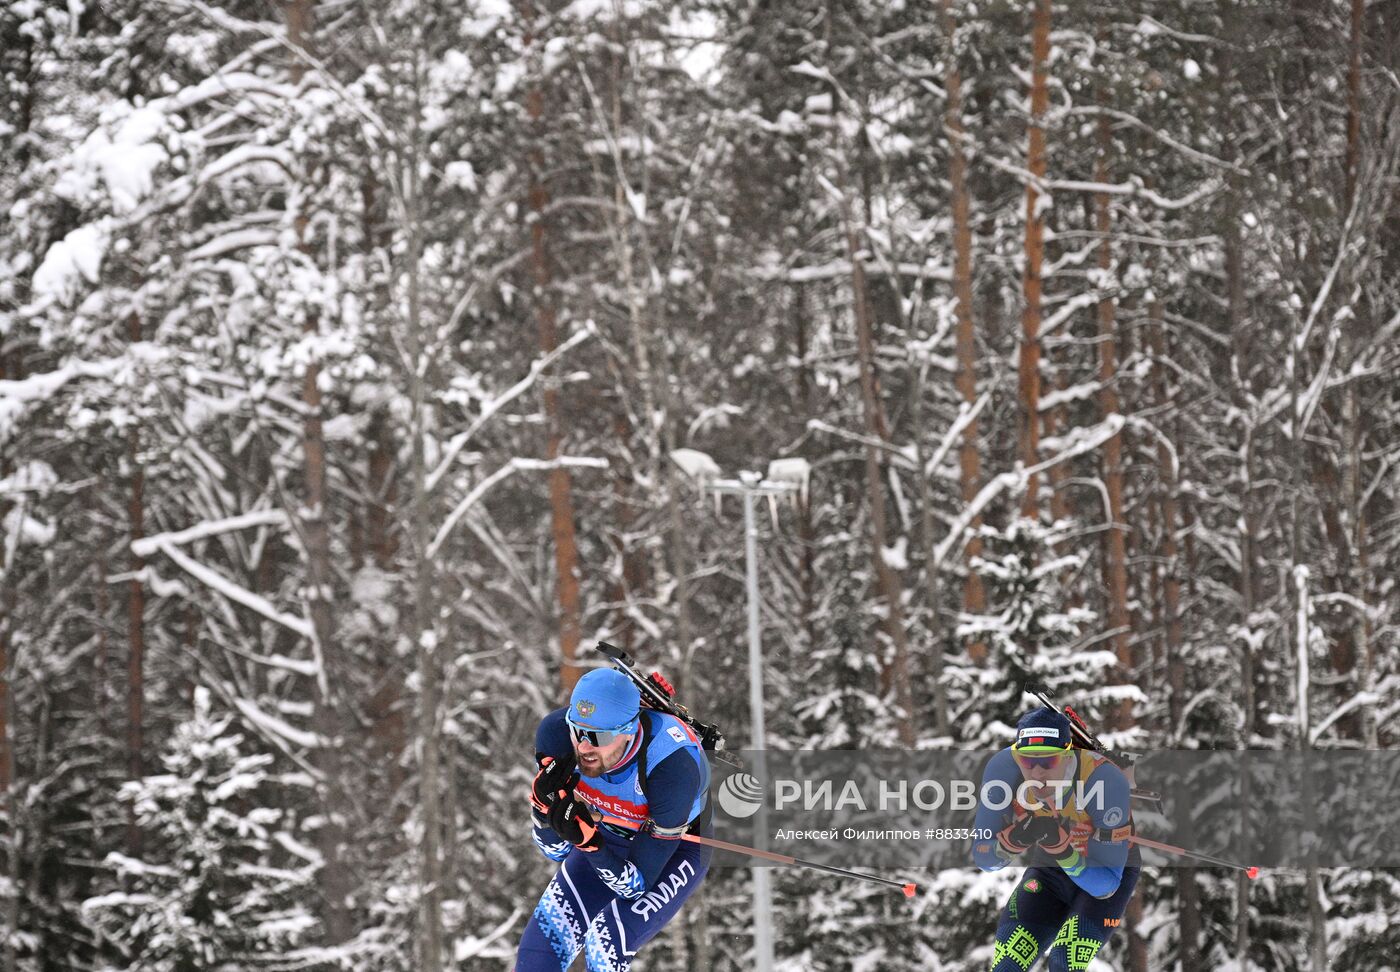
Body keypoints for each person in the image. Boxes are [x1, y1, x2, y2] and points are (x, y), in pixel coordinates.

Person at [514, 668, 713, 971]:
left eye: (598, 737)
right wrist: (544, 815)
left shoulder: (672, 768)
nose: (583, 747)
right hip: (610, 834)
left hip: (678, 848)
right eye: (578, 730)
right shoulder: (556, 736)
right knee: (537, 955)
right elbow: (553, 851)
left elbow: (634, 886)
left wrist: (591, 845)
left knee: (606, 942)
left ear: (629, 730)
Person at [971, 707, 1141, 972]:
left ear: (1067, 753)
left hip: (1103, 869)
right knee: (1007, 964)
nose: (1037, 773)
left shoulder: (1103, 780)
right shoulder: (1003, 770)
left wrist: (1064, 850)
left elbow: (1104, 887)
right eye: (1028, 761)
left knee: (1063, 961)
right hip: (1051, 868)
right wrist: (1015, 839)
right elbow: (984, 857)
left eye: (1048, 761)